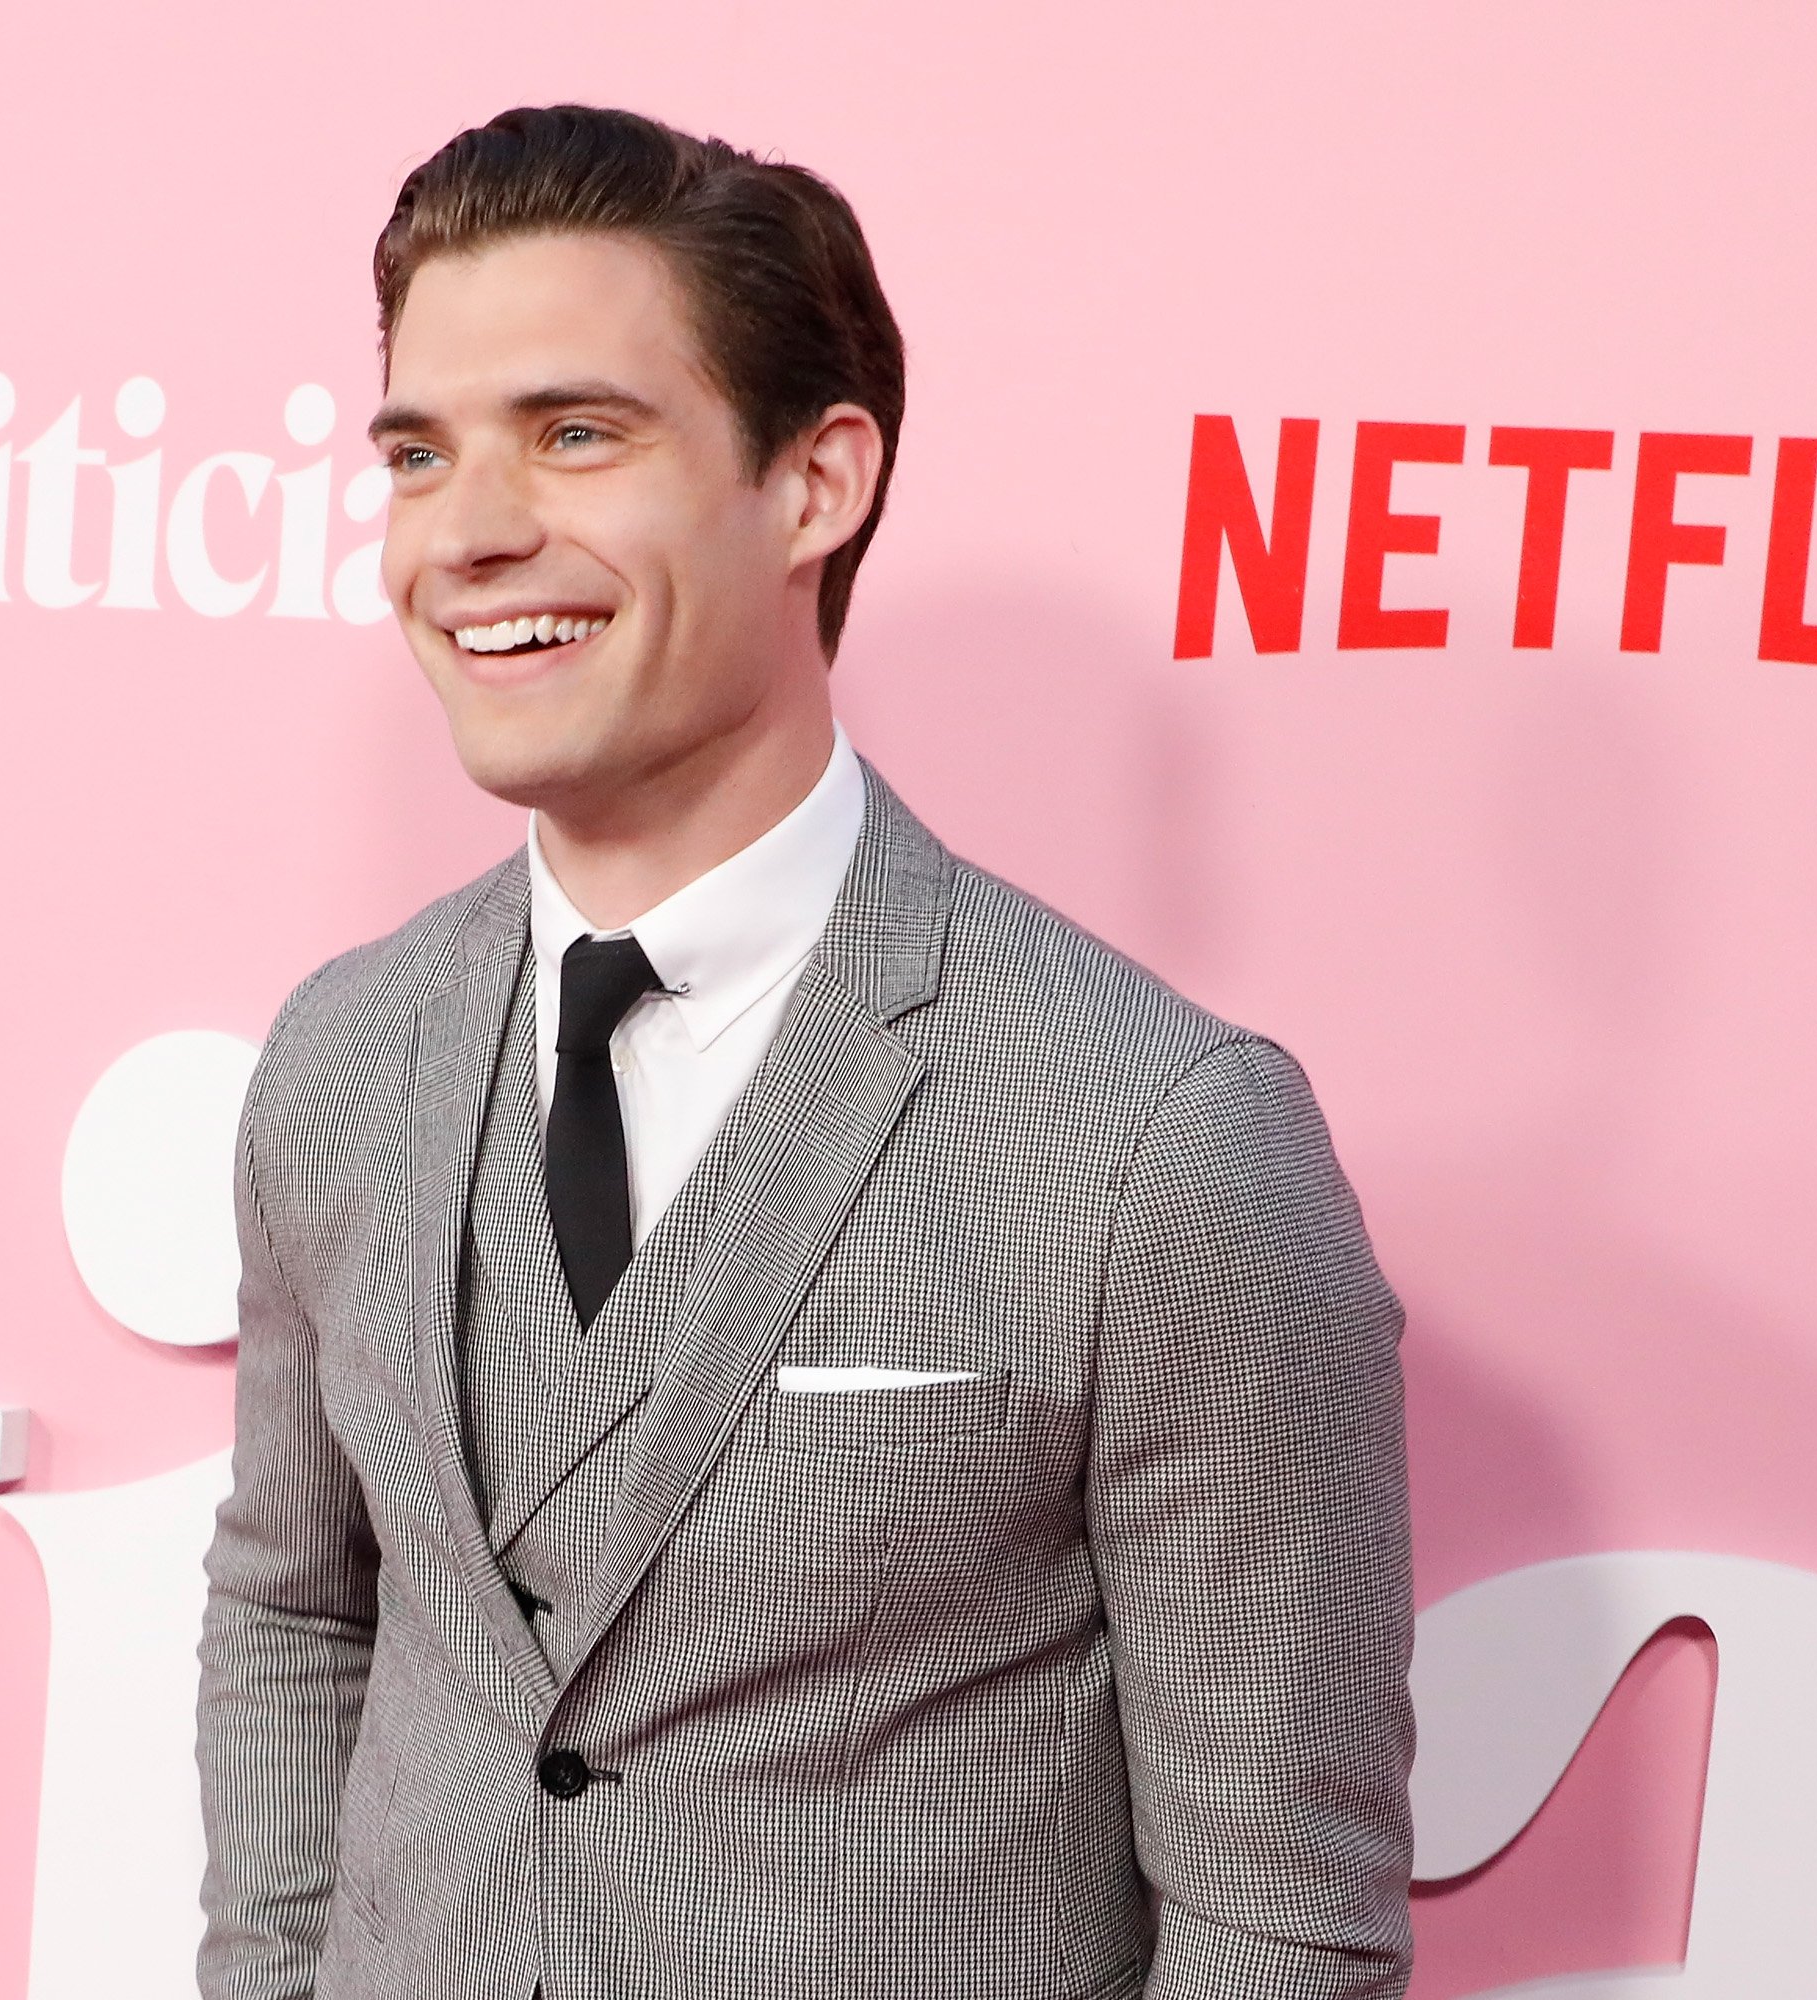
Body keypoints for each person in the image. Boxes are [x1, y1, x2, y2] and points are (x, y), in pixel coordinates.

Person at [197, 104, 1413, 2000]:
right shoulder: (341, 1057)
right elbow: (295, 1610)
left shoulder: (1161, 1136)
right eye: (421, 453)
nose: (473, 530)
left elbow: (1281, 1927)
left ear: (815, 482)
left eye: (577, 433)